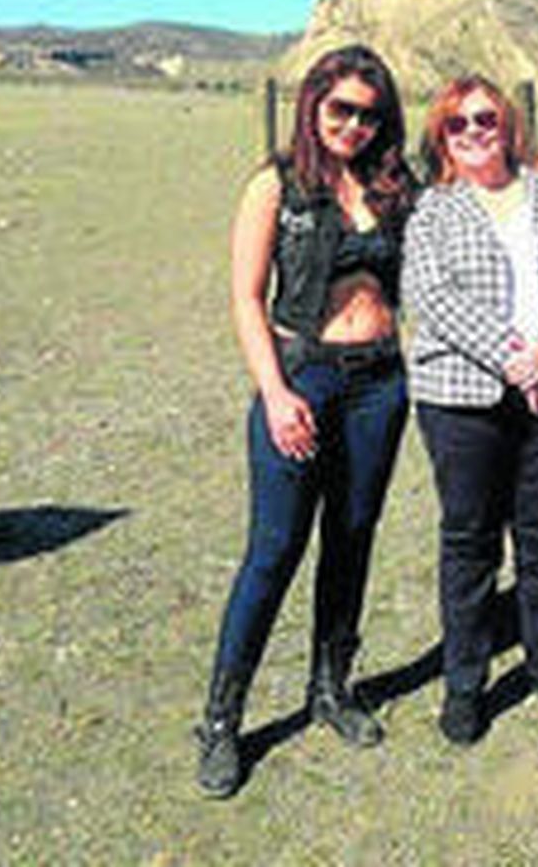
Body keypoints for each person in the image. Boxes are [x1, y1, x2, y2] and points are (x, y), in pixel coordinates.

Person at [197, 44, 418, 799]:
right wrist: (276, 392)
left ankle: (330, 688)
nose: (354, 125)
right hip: (304, 377)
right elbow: (246, 297)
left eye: (369, 112)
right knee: (275, 547)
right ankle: (222, 720)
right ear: (313, 104)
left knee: (351, 540)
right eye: (341, 109)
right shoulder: (277, 183)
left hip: (381, 383)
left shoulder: (393, 183)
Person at [402, 75, 538, 745]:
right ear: (441, 137)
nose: (472, 132)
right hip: (463, 397)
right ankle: (466, 680)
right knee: (470, 541)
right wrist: (515, 358)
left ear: (508, 122)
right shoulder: (432, 208)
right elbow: (429, 294)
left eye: (484, 118)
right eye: (456, 124)